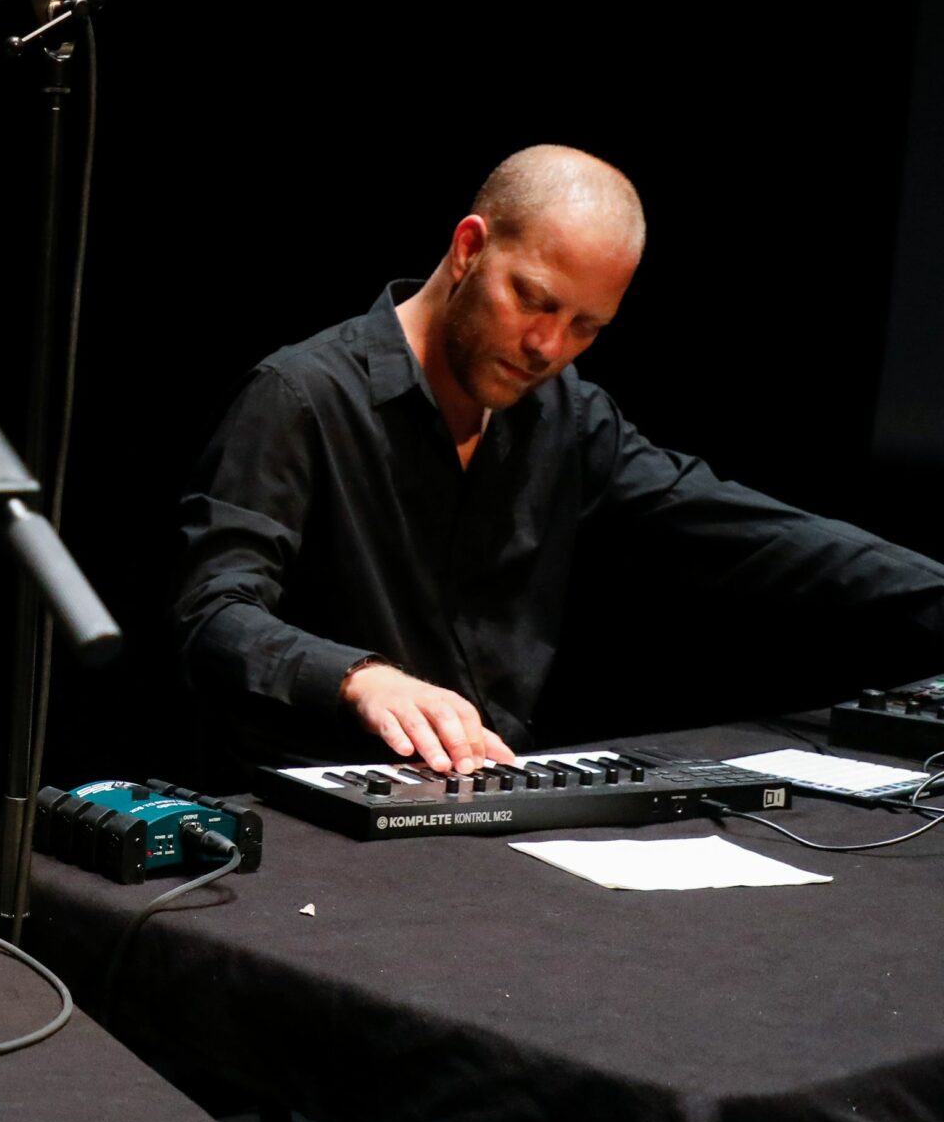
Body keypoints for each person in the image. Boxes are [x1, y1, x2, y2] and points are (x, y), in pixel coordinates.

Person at [175, 144, 943, 775]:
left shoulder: (565, 417)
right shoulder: (301, 395)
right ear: (469, 246)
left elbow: (752, 533)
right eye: (534, 300)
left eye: (586, 325)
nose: (549, 346)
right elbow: (214, 613)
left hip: (483, 809)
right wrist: (359, 676)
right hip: (302, 815)